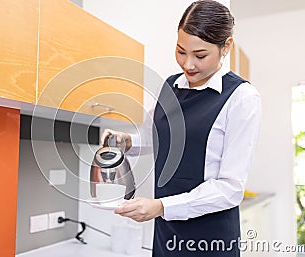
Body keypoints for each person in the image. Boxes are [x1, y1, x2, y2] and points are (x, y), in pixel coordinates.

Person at [100, 1, 261, 256]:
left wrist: (162, 206)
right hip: (165, 234)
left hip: (211, 239)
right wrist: (127, 141)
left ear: (225, 47)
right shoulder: (169, 86)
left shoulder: (241, 97)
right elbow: (159, 138)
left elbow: (230, 188)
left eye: (200, 55)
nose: (188, 64)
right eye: (180, 51)